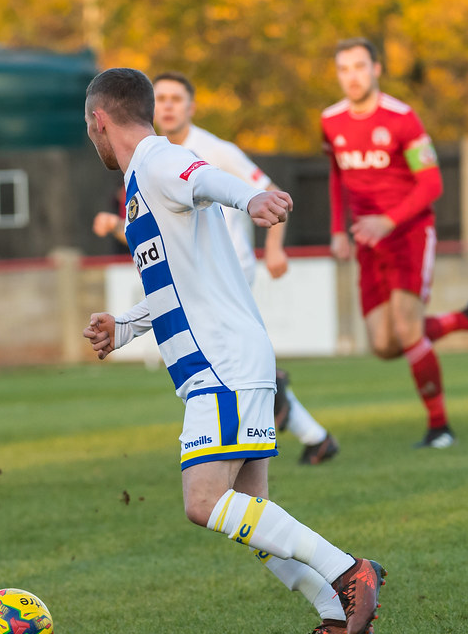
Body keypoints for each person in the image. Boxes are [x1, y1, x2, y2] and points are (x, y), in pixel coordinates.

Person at [82, 67, 383, 634]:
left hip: (218, 363)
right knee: (250, 510)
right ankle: (336, 616)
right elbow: (177, 280)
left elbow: (203, 175)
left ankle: (350, 572)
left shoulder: (157, 159)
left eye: (89, 130)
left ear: (100, 120)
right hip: (230, 357)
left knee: (204, 503)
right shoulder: (144, 180)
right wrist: (125, 327)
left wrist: (253, 198)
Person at [93, 71, 339, 465]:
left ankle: (292, 411)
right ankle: (312, 432)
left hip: (226, 280)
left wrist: (264, 226)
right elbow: (173, 269)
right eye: (163, 98)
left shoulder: (192, 152)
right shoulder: (147, 165)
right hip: (206, 291)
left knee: (208, 490)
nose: (169, 106)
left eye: (176, 99)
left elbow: (247, 186)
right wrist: (127, 325)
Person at [323, 38, 468, 449]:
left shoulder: (402, 118)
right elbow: (336, 175)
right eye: (344, 69)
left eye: (359, 66)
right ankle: (467, 319)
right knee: (383, 344)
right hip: (368, 242)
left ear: (376, 69)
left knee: (407, 328)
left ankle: (440, 427)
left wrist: (388, 220)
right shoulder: (331, 121)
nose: (352, 76)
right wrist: (338, 230)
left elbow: (431, 183)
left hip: (408, 234)